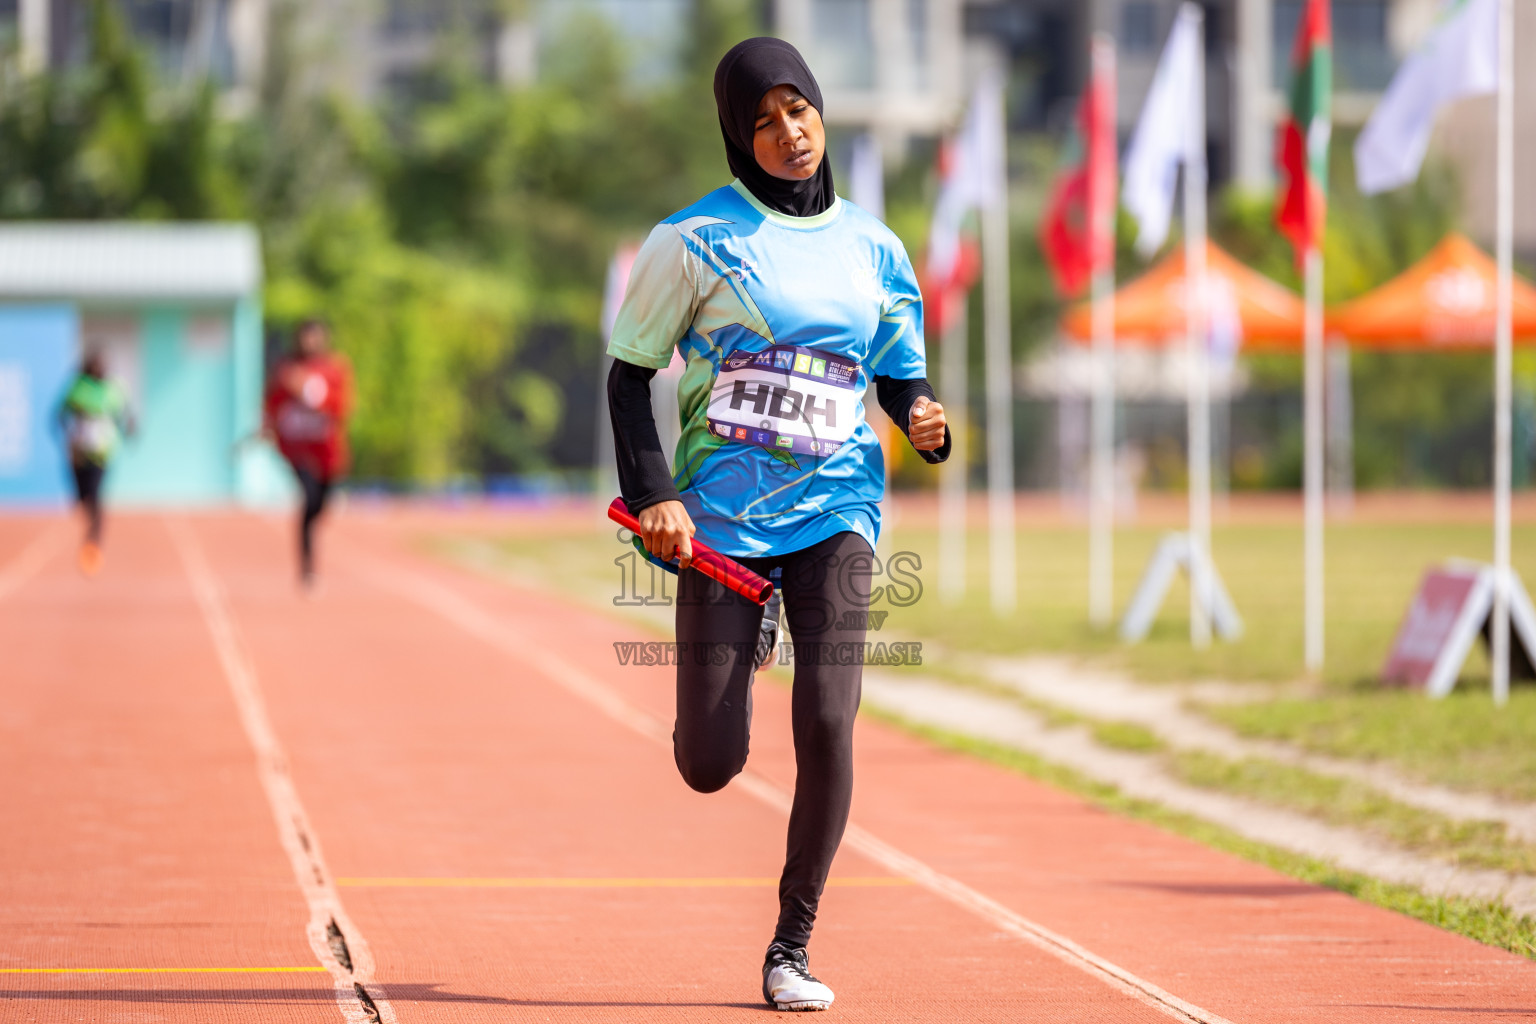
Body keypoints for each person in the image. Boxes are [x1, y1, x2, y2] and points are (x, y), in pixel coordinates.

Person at [606, 37, 950, 1012]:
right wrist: (655, 494)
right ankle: (739, 644)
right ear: (736, 134)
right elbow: (629, 377)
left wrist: (922, 416)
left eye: (799, 109)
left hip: (839, 505)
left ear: (822, 114)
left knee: (831, 719)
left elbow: (897, 365)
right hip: (720, 522)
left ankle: (790, 946)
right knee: (710, 765)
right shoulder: (694, 241)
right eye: (763, 119)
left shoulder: (873, 246)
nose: (788, 132)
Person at [263, 319, 352, 587]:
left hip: (327, 450)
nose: (309, 342)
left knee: (321, 504)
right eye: (305, 337)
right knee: (308, 498)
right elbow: (272, 403)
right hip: (297, 449)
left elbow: (341, 406)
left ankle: (309, 550)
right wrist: (267, 424)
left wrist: (309, 392)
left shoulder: (335, 369)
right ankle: (308, 566)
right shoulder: (286, 369)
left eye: (315, 337)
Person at [58, 352, 134, 576]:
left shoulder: (112, 391)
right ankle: (91, 531)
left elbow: (124, 414)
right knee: (81, 499)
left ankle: (93, 544)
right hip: (78, 454)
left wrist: (129, 428)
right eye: (95, 365)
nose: (99, 369)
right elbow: (60, 414)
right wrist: (68, 435)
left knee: (96, 497)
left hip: (101, 454)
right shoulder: (76, 389)